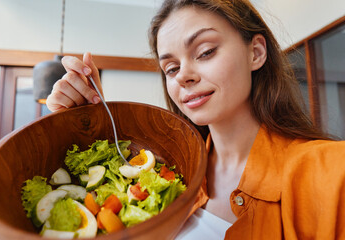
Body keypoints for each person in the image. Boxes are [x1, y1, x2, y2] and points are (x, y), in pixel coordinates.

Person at [46, 0, 345, 239]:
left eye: (205, 51)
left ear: (255, 53)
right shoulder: (172, 174)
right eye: (171, 68)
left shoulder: (333, 172)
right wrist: (85, 122)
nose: (184, 76)